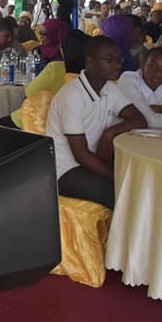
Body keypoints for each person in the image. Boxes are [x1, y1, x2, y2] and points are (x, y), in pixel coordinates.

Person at [46, 36, 146, 210]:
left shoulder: (109, 88)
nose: (117, 65)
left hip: (92, 161)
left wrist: (110, 133)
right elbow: (81, 155)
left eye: (119, 59)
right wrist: (117, 175)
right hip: (65, 169)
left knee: (142, 183)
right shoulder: (72, 96)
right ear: (90, 62)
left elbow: (139, 119)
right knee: (121, 194)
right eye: (109, 60)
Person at [117, 47, 162, 128]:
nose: (157, 73)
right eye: (152, 66)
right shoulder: (128, 79)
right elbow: (147, 120)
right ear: (142, 65)